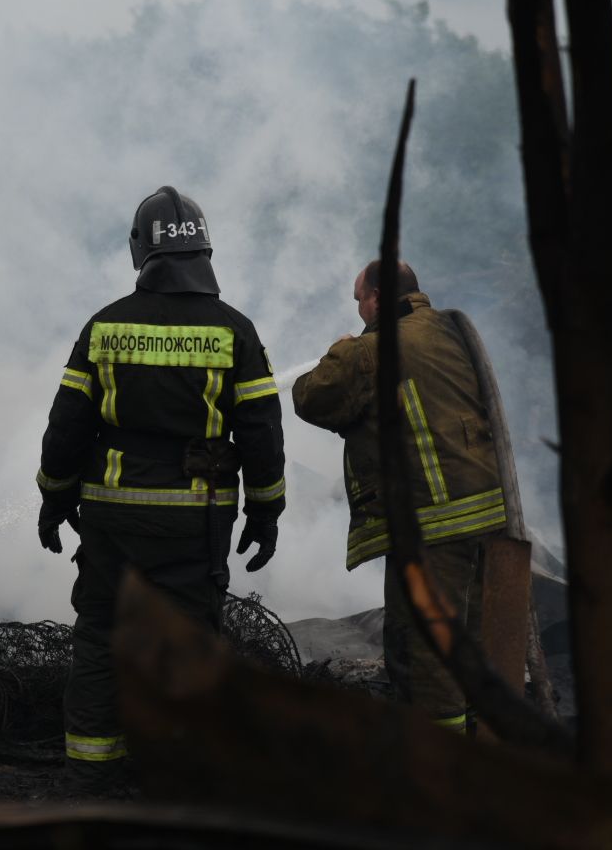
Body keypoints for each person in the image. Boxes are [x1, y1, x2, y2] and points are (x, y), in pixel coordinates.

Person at [36, 186, 286, 773]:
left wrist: (53, 496)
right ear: (203, 252)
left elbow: (67, 424)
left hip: (111, 515)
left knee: (100, 633)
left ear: (140, 251)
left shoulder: (105, 327)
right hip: (194, 519)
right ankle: (178, 773)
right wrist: (265, 511)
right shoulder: (233, 330)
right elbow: (262, 432)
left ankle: (93, 771)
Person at [291, 260, 507, 734]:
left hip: (431, 523)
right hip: (489, 515)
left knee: (426, 650)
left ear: (377, 298)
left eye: (359, 299)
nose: (358, 308)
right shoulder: (450, 331)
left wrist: (341, 349)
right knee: (472, 641)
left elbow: (311, 398)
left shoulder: (369, 351)